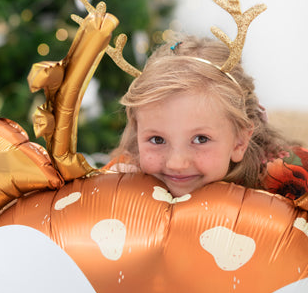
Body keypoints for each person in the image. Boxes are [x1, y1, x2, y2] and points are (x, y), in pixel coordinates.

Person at [109, 35, 308, 202]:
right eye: (157, 140)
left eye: (201, 139)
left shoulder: (291, 180)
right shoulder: (122, 176)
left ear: (239, 141)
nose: (176, 164)